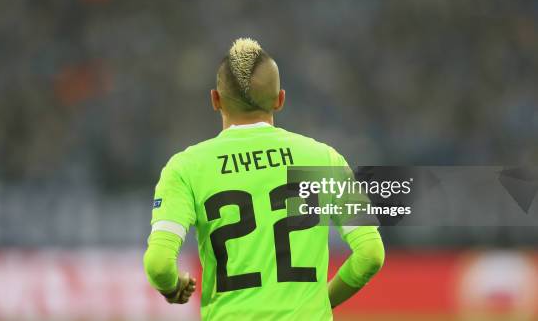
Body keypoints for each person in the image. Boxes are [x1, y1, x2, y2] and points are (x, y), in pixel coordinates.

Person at [143, 38, 385, 320]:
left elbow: (158, 264)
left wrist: (173, 288)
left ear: (215, 100)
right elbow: (371, 254)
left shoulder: (186, 168)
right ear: (280, 99)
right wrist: (320, 305)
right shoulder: (324, 159)